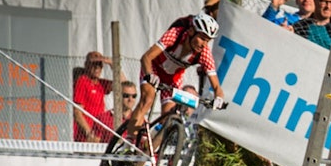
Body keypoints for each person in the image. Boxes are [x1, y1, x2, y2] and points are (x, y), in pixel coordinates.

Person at [129, 12, 225, 146]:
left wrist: (219, 99)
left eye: (208, 41)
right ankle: (128, 143)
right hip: (154, 68)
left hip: (172, 79)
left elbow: (217, 87)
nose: (204, 44)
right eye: (202, 38)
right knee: (147, 100)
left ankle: (147, 151)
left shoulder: (204, 53)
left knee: (169, 117)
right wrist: (149, 74)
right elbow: (146, 57)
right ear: (191, 31)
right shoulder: (175, 34)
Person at [72, 51, 113, 142]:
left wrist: (113, 65)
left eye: (99, 64)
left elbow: (124, 86)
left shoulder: (100, 83)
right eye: (94, 64)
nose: (97, 67)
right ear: (86, 65)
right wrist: (89, 133)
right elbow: (77, 112)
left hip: (99, 133)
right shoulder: (82, 81)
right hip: (86, 135)